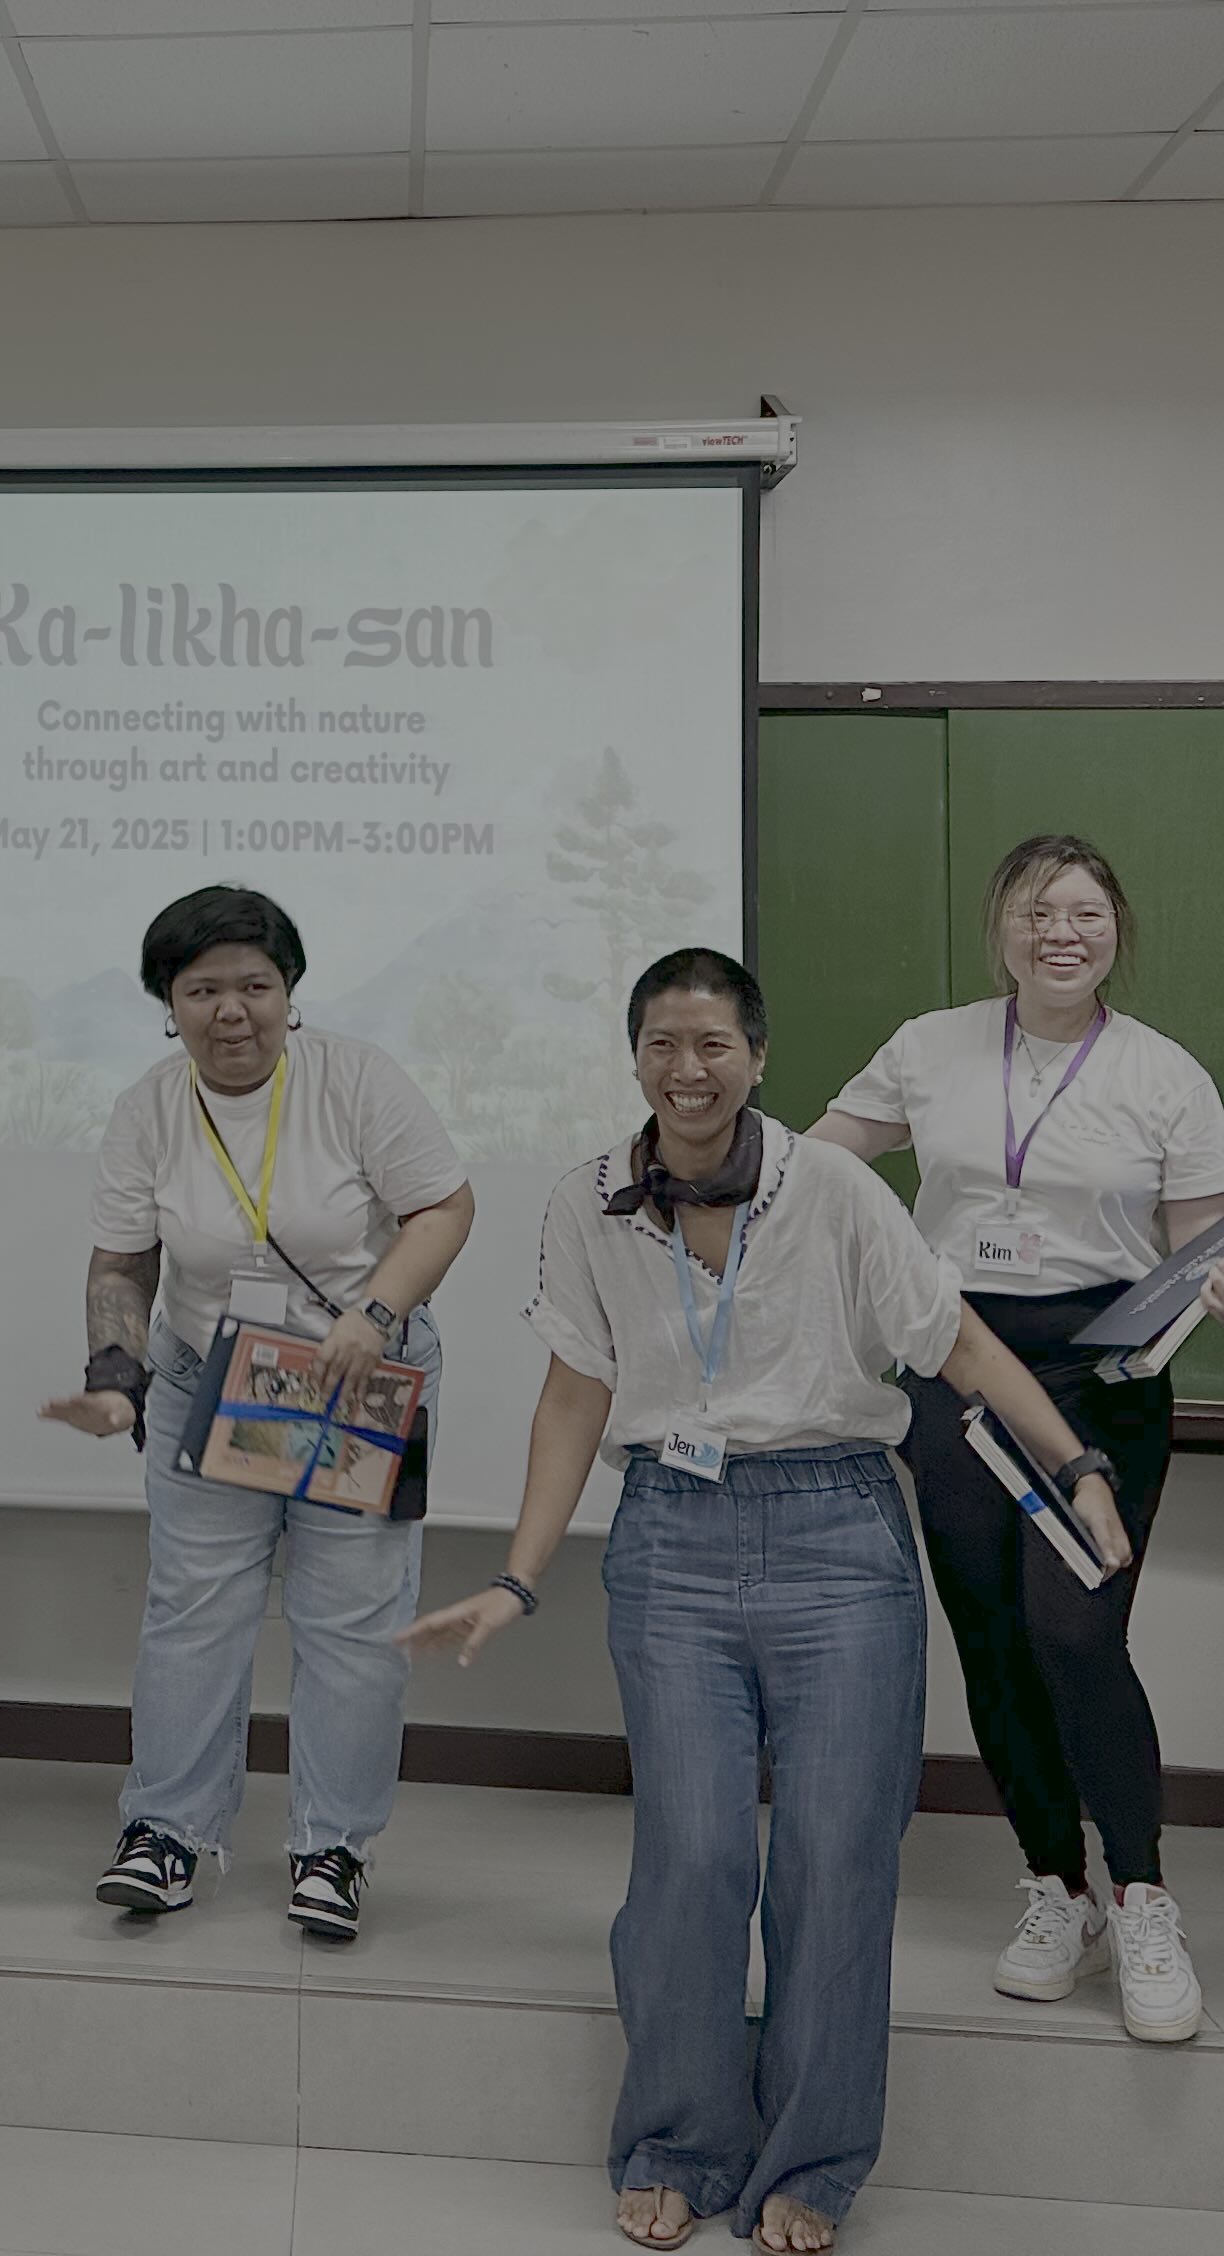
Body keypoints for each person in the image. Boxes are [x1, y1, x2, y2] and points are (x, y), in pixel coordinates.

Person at [404, 948, 1131, 2256]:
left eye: (714, 1046)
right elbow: (576, 1390)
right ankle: (680, 2140)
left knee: (836, 1859)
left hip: (838, 1532)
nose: (689, 1070)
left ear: (757, 1057)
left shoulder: (833, 1187)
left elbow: (959, 1343)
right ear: (635, 1057)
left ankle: (814, 2159)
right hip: (670, 1538)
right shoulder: (588, 1200)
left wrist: (1075, 1467)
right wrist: (520, 1574)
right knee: (691, 1860)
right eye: (664, 1045)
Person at [809, 831, 1224, 2040]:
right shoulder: (929, 1045)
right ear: (999, 927)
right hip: (952, 1355)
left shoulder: (1165, 1073)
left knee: (1077, 1630)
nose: (1060, 932)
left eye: (1084, 912)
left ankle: (1144, 1893)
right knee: (995, 1637)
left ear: (1118, 927)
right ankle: (1056, 1886)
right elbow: (819, 1166)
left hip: (1100, 1369)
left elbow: (1205, 1249)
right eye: (1034, 911)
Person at [38, 885, 477, 1945]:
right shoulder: (149, 1106)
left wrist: (378, 1309)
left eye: (254, 986)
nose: (231, 1011)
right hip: (210, 1380)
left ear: (290, 993)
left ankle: (334, 1848)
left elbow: (444, 1207)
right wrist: (116, 1376)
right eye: (202, 990)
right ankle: (169, 1834)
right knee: (194, 1610)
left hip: (356, 1379)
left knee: (357, 1624)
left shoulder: (356, 1081)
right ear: (168, 1003)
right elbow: (122, 1259)